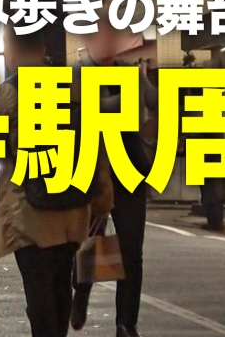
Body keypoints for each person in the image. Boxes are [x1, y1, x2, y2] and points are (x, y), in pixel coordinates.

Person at [0, 25, 114, 337]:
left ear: (11, 52)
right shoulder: (76, 86)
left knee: (39, 293)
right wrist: (103, 190)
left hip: (30, 213)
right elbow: (97, 142)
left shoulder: (8, 93)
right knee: (59, 286)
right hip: (74, 207)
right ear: (43, 49)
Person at [70, 17, 158, 337]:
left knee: (132, 251)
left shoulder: (130, 73)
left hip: (129, 170)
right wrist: (127, 97)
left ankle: (126, 324)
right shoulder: (77, 74)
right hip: (91, 172)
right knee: (88, 244)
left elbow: (155, 102)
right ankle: (81, 291)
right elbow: (92, 111)